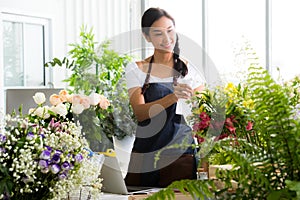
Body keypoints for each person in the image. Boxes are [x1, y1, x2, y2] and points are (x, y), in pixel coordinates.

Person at [124, 7, 205, 187]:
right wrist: (173, 97)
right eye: (158, 33)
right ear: (147, 37)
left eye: (170, 31)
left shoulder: (190, 70)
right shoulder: (136, 69)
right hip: (145, 155)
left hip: (180, 156)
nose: (167, 38)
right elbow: (140, 113)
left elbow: (203, 112)